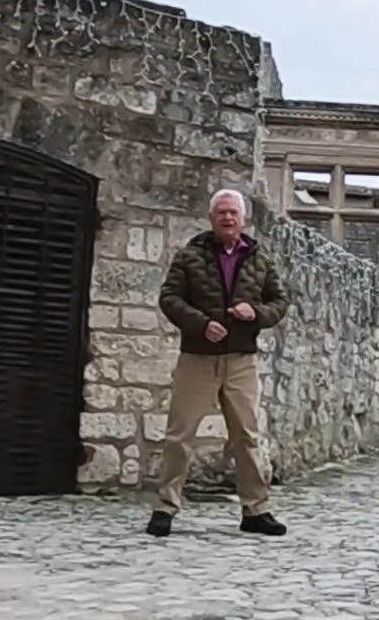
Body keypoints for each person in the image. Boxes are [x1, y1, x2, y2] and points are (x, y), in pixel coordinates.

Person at [146, 188, 289, 538]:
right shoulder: (190, 256)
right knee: (180, 435)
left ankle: (255, 510)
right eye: (221, 212)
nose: (228, 218)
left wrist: (255, 312)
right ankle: (165, 507)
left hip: (241, 359)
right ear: (212, 218)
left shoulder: (260, 259)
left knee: (247, 436)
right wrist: (199, 324)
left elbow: (280, 302)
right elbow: (169, 298)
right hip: (197, 358)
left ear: (243, 219)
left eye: (233, 213)